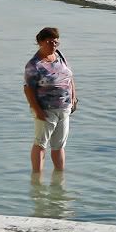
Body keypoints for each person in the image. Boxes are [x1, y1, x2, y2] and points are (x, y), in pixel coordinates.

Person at [24, 27, 77, 174]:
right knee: (41, 144)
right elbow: (28, 89)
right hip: (46, 109)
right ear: (40, 42)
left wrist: (73, 97)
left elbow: (69, 77)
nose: (53, 45)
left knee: (59, 145)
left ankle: (59, 178)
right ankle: (37, 178)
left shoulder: (60, 56)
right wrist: (37, 110)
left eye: (56, 42)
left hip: (64, 108)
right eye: (50, 42)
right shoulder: (34, 65)